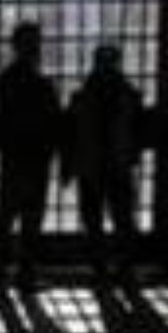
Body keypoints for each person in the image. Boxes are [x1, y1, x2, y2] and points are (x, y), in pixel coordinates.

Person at [62, 43, 144, 282]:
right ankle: (124, 268)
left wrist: (68, 166)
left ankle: (101, 268)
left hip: (92, 166)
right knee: (122, 219)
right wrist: (133, 156)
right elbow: (139, 132)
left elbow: (70, 135)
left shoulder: (81, 97)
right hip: (117, 164)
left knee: (95, 219)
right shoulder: (129, 96)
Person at [0, 22, 61, 289]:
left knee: (5, 219)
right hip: (36, 159)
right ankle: (25, 275)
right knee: (31, 220)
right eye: (36, 43)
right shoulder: (43, 85)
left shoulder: (2, 82)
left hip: (12, 158)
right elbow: (54, 124)